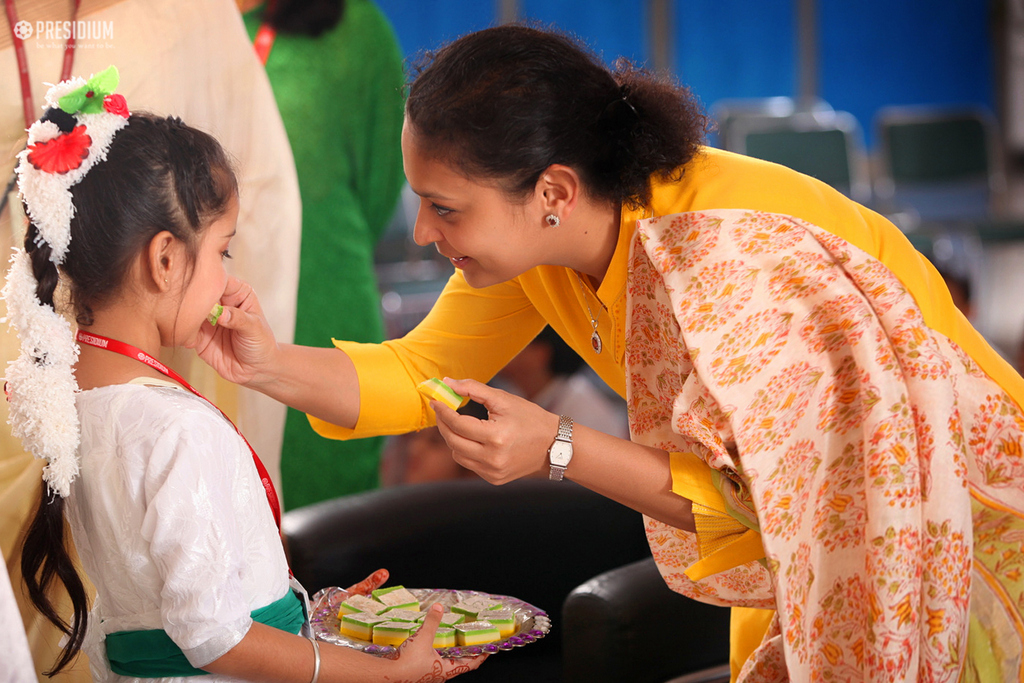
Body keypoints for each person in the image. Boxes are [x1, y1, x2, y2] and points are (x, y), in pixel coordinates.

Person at [193, 25, 1024, 681]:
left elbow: (762, 505)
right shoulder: (546, 244)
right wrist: (264, 362)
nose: (420, 233)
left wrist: (556, 446)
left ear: (551, 189)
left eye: (444, 207)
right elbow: (418, 374)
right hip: (809, 540)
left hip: (950, 519)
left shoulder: (726, 263)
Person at [2, 71, 480, 682]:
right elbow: (213, 639)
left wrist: (299, 616)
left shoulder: (76, 401)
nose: (228, 276)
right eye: (223, 249)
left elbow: (161, 609)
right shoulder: (171, 427)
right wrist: (387, 674)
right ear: (166, 258)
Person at [239, 0, 407, 508]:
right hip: (195, 302)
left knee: (332, 522)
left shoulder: (356, 27)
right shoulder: (170, 18)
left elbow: (385, 175)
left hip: (324, 298)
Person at [496, 326, 629, 440]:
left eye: (513, 342)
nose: (500, 348)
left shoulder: (582, 407)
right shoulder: (513, 391)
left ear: (540, 354)